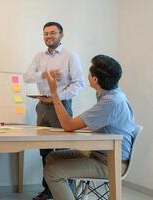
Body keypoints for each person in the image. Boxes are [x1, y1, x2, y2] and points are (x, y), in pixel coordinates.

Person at [42, 55, 136, 200]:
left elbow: (68, 125)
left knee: (52, 171)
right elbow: (84, 125)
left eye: (89, 72)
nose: (87, 75)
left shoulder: (110, 102)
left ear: (95, 79)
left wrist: (54, 93)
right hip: (100, 155)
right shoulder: (111, 94)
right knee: (52, 157)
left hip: (110, 162)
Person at [23, 21, 84, 200]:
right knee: (45, 150)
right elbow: (27, 77)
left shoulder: (70, 55)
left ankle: (68, 191)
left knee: (63, 148)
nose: (48, 37)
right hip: (42, 106)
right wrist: (44, 75)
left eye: (52, 33)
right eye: (45, 34)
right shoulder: (39, 57)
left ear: (61, 35)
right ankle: (48, 190)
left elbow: (79, 83)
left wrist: (58, 96)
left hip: (61, 106)